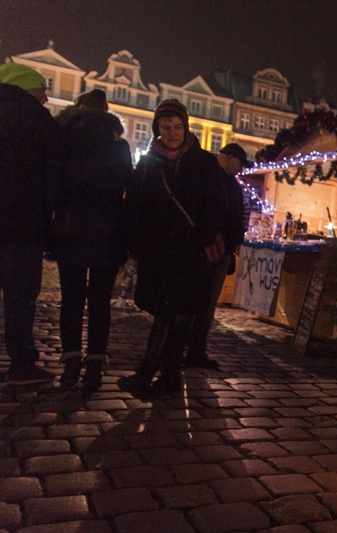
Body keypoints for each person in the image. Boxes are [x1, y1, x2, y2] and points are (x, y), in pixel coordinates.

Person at [120, 99, 226, 394]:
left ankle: (147, 373)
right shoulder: (148, 163)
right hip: (157, 252)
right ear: (157, 128)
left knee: (172, 312)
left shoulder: (204, 162)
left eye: (178, 127)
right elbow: (135, 206)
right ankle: (170, 377)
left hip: (189, 253)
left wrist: (200, 239)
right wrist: (137, 244)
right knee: (170, 313)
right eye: (166, 127)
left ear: (186, 127)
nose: (172, 132)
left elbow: (217, 206)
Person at [51, 89, 131, 393]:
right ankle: (95, 365)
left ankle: (71, 361)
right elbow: (126, 184)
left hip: (71, 227)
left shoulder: (64, 138)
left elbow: (54, 181)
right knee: (100, 301)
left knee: (71, 297)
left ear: (77, 109)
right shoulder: (118, 145)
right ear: (107, 112)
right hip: (108, 230)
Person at [0, 63, 59, 386]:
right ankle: (21, 364)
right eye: (42, 89)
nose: (47, 98)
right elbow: (53, 174)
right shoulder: (35, 118)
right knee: (19, 298)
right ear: (26, 88)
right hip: (22, 226)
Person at [178, 143, 247, 370]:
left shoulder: (230, 182)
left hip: (224, 250)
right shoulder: (210, 177)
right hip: (208, 248)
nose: (241, 168)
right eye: (240, 162)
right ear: (228, 157)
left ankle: (196, 349)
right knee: (196, 301)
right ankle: (181, 349)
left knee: (207, 304)